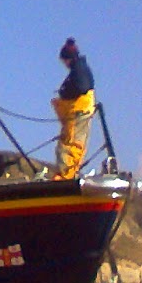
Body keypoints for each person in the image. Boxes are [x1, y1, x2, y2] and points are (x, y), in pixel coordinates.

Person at [52, 37, 96, 180]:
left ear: (68, 58)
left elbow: (82, 87)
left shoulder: (79, 70)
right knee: (68, 143)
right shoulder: (80, 69)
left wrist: (66, 93)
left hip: (78, 111)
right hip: (78, 111)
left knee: (70, 144)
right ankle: (67, 173)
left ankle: (66, 175)